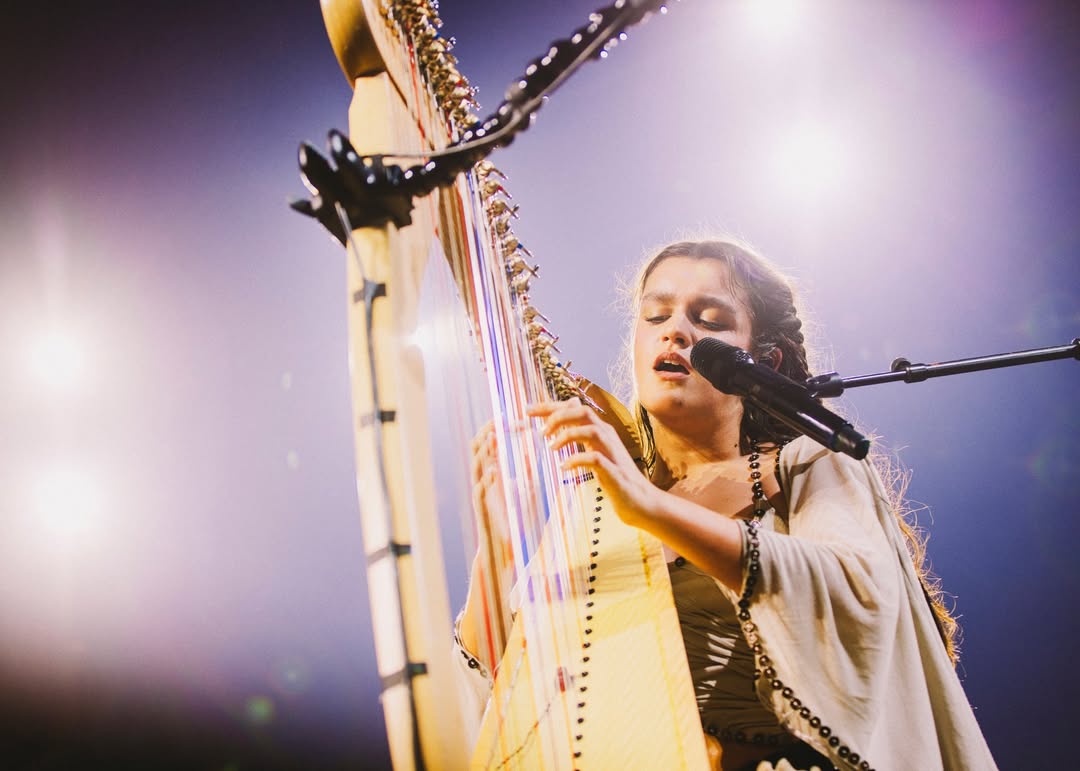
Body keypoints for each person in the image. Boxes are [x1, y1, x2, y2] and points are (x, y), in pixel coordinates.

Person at [459, 239, 997, 770]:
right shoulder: (599, 507)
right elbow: (501, 682)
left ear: (763, 361)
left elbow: (852, 589)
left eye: (710, 321)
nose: (675, 331)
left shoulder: (807, 465)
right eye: (655, 315)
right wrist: (497, 545)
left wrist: (648, 505)